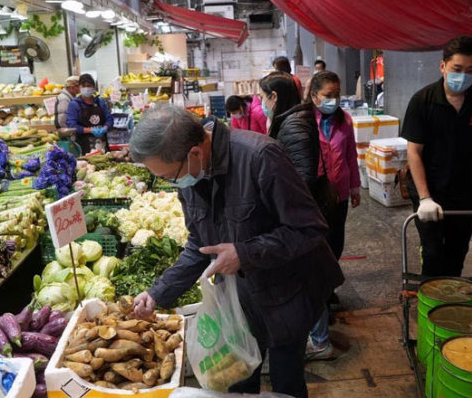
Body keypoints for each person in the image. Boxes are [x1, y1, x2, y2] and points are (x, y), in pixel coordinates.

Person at [128, 105, 344, 398]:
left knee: (286, 380)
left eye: (168, 176)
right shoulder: (189, 175)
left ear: (194, 153)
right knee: (238, 376)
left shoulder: (260, 156)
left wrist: (244, 253)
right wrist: (157, 294)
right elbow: (199, 245)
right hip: (242, 298)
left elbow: (310, 229)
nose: (171, 183)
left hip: (290, 293)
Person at [400, 36, 472, 277]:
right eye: (457, 69)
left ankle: (452, 308)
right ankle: (431, 306)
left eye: (470, 70)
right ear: (443, 66)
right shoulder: (423, 101)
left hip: (463, 192)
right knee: (432, 254)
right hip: (429, 190)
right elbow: (414, 152)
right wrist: (424, 198)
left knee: (456, 254)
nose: (463, 75)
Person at [303, 71, 361, 360]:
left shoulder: (344, 121)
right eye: (328, 95)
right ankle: (321, 299)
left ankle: (326, 291)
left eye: (337, 94)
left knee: (335, 244)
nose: (334, 100)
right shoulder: (303, 122)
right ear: (314, 96)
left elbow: (351, 155)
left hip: (339, 194)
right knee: (318, 247)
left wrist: (355, 187)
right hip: (313, 196)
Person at [260, 71, 320, 191]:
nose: (261, 102)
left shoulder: (293, 127)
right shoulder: (290, 121)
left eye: (262, 97)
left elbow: (304, 177)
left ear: (274, 96)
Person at [66, 73, 113, 154]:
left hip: (102, 143)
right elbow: (72, 125)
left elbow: (109, 118)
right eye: (83, 86)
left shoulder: (100, 102)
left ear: (94, 87)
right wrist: (90, 130)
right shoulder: (74, 104)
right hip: (84, 145)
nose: (86, 88)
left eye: (89, 85)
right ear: (79, 87)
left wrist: (105, 127)